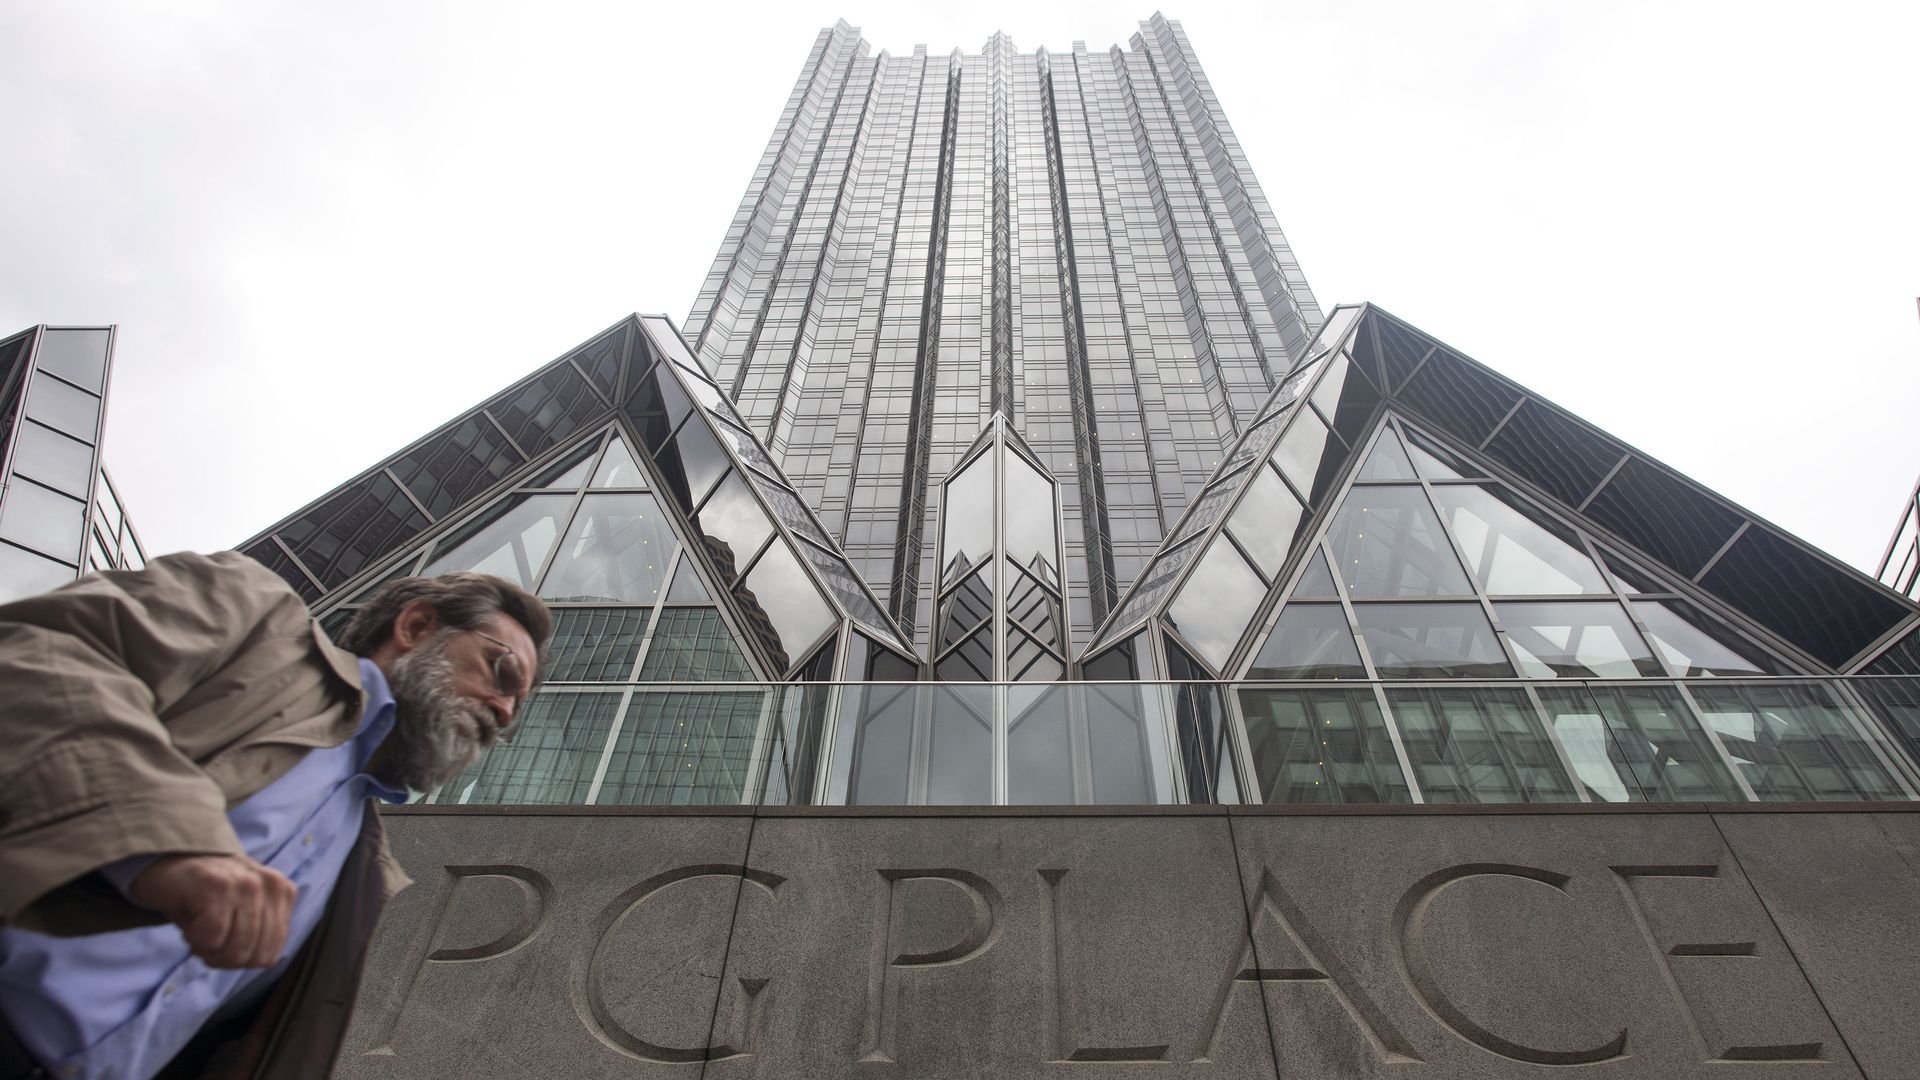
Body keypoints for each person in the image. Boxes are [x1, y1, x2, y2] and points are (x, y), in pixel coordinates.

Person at [0, 550, 552, 1080]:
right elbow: (38, 654)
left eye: (515, 712)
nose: (502, 711)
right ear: (416, 626)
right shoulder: (252, 617)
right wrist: (178, 846)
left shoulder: (362, 867)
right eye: (500, 671)